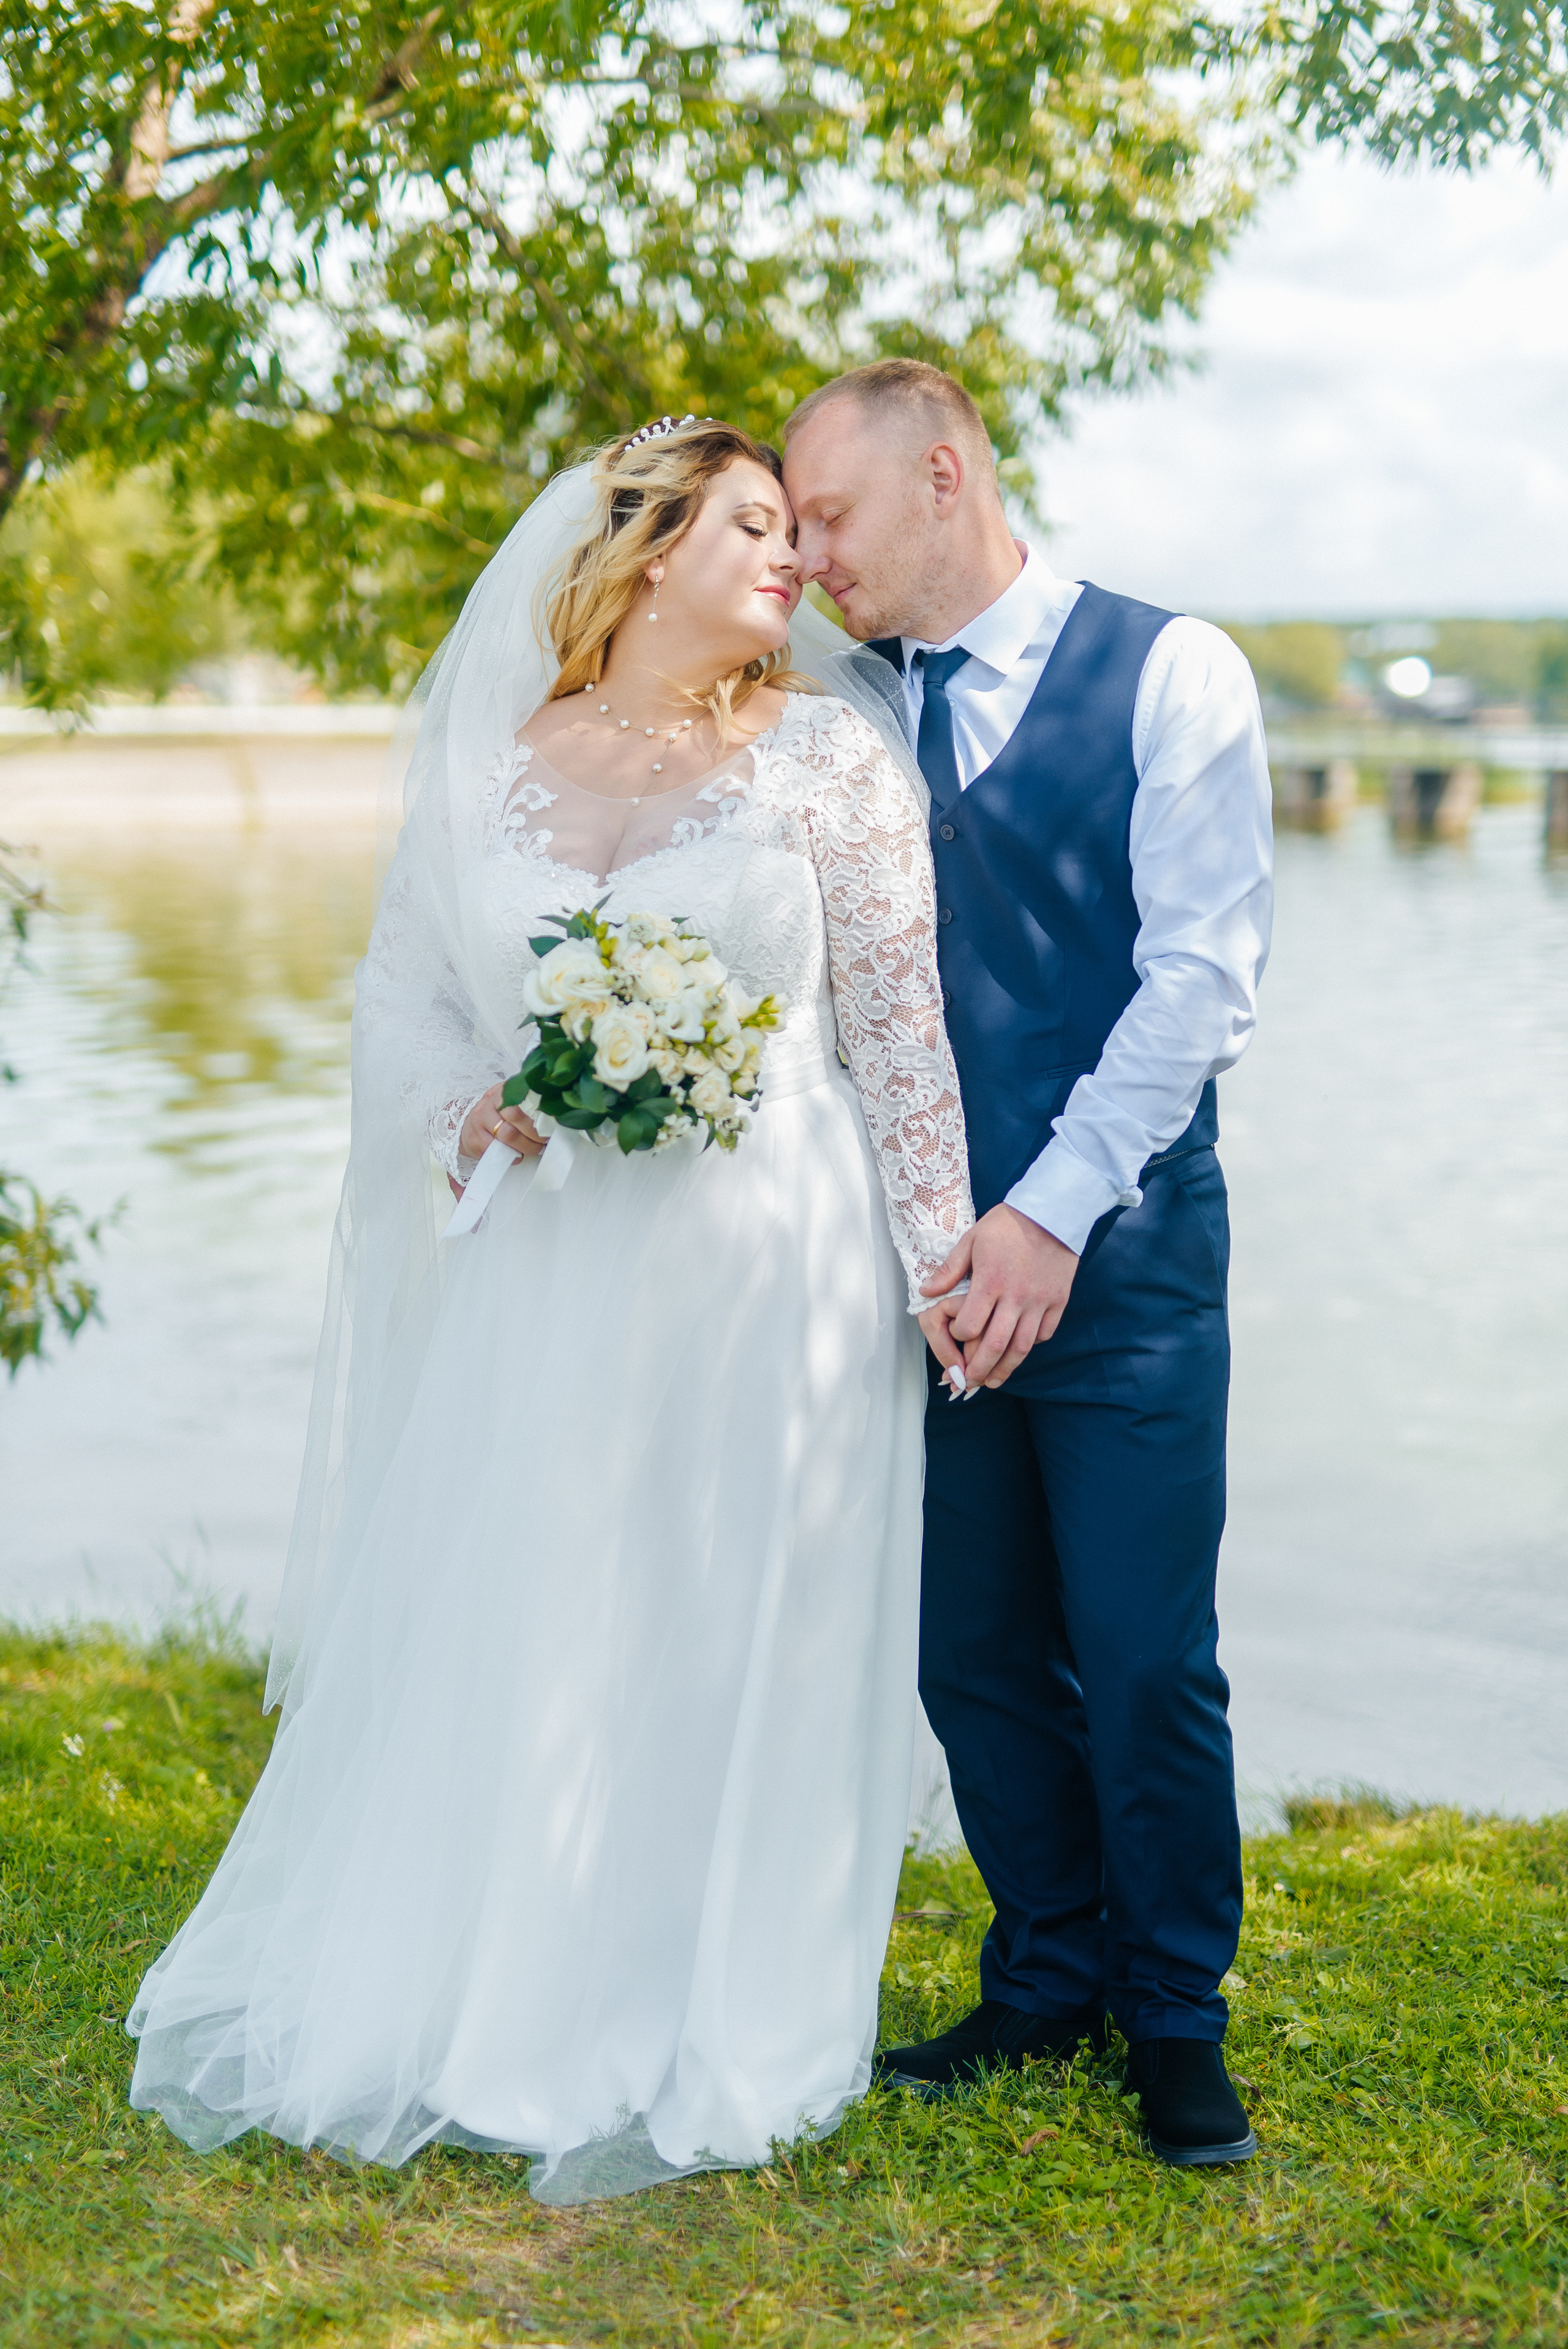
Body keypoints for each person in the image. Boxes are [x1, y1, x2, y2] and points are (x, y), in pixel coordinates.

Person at [127, 418, 974, 2204]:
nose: (798, 559)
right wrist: (474, 1108)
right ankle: (519, 1982)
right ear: (650, 548)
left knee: (742, 1606)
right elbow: (410, 1003)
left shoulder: (830, 759)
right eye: (756, 524)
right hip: (558, 1254)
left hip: (777, 1259)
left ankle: (722, 1994)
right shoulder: (491, 760)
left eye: (802, 529)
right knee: (551, 1598)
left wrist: (944, 1265)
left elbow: (902, 1034)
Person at [783, 360, 1273, 2168]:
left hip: (1124, 1264)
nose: (807, 555)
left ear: (942, 472)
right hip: (911, 1276)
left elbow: (1203, 978)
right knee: (969, 1649)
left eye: (829, 515)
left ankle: (1175, 2013)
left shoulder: (1175, 672)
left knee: (1146, 1652)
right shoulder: (830, 704)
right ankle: (1046, 1969)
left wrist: (1049, 1212)